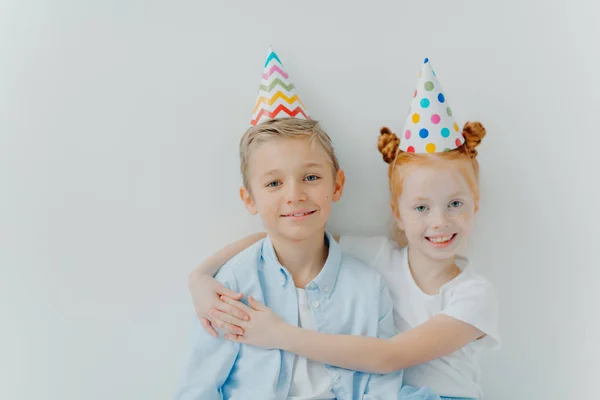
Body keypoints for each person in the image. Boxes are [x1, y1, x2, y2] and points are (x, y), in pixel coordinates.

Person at [187, 58, 500, 400]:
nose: (439, 221)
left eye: (455, 204)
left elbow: (386, 359)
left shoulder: (463, 294)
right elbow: (289, 235)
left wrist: (277, 334)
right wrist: (200, 278)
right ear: (397, 213)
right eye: (422, 207)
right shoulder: (380, 257)